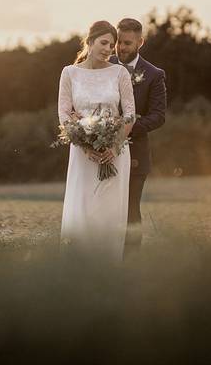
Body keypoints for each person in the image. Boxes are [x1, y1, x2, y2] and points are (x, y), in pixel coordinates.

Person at [58, 20, 136, 261]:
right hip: (83, 154)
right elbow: (64, 113)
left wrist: (113, 146)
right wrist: (84, 145)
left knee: (108, 212)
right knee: (83, 210)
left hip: (115, 152)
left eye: (112, 45)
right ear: (90, 41)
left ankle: (109, 267)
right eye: (103, 43)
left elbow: (130, 113)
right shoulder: (69, 73)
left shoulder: (120, 72)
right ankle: (80, 268)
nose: (108, 49)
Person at [110, 18, 167, 254]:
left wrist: (125, 128)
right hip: (103, 152)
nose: (121, 48)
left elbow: (158, 116)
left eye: (127, 43)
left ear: (140, 42)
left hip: (135, 153)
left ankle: (130, 263)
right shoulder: (103, 65)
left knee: (130, 209)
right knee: (106, 208)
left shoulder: (154, 74)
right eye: (119, 42)